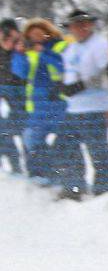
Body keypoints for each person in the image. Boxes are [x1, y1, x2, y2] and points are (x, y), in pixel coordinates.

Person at [58, 9, 108, 199]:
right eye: (75, 25)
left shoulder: (100, 45)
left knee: (98, 151)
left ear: (90, 25)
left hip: (95, 106)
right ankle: (74, 186)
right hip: (73, 107)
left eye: (83, 24)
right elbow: (68, 72)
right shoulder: (71, 48)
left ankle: (103, 191)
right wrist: (62, 85)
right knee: (65, 147)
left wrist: (82, 85)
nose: (80, 28)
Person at [13, 18, 68, 187]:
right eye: (32, 35)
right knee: (31, 139)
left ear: (48, 32)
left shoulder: (59, 46)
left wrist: (44, 51)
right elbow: (21, 72)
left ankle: (65, 177)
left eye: (39, 33)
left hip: (59, 102)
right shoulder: (29, 52)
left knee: (65, 141)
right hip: (38, 105)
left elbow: (63, 65)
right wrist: (19, 54)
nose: (36, 37)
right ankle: (45, 176)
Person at [0, 20, 27, 175]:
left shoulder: (21, 51)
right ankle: (12, 167)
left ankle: (20, 168)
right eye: (5, 36)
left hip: (19, 93)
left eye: (12, 36)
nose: (9, 40)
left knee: (19, 131)